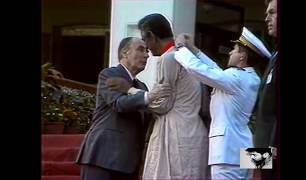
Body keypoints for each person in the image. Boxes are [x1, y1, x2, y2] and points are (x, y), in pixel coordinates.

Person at [108, 13, 209, 180]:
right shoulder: (185, 55)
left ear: (152, 36)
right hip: (194, 132)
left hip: (177, 134)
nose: (147, 51)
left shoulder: (168, 58)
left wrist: (130, 91)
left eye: (144, 42)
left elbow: (161, 104)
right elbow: (214, 70)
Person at [174, 27, 271, 179]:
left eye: (234, 50)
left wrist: (179, 48)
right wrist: (193, 49)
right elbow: (215, 70)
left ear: (242, 57)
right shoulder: (251, 77)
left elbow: (201, 70)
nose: (230, 52)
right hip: (245, 150)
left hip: (227, 153)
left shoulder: (236, 77)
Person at [75, 37, 171, 180]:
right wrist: (150, 97)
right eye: (140, 49)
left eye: (147, 51)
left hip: (129, 162)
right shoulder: (109, 74)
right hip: (103, 156)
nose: (146, 55)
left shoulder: (142, 87)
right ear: (125, 53)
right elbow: (119, 104)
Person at [253, 0, 279, 179]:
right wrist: (255, 161)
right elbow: (264, 113)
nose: (266, 18)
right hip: (264, 152)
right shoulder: (275, 55)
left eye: (272, 13)